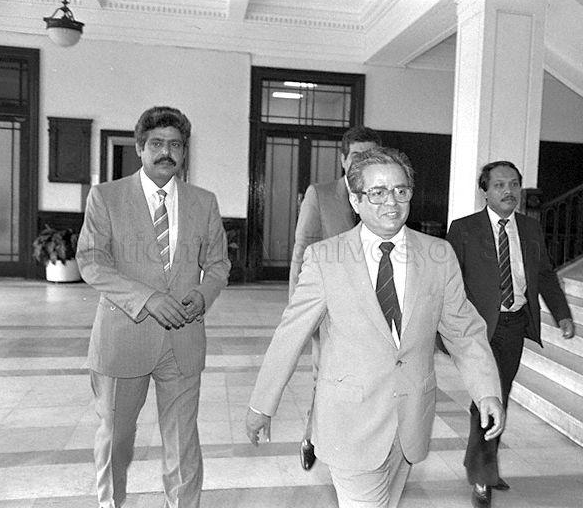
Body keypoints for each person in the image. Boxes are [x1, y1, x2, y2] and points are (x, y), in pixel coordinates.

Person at [246, 147, 505, 508]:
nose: (391, 203)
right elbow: (291, 334)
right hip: (349, 423)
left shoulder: (438, 255)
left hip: (410, 418)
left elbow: (464, 330)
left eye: (401, 191)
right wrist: (263, 404)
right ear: (355, 199)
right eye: (377, 193)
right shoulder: (325, 258)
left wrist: (486, 390)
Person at [76, 106, 231, 508]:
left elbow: (218, 264)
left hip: (183, 339)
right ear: (140, 149)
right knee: (117, 440)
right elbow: (91, 261)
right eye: (157, 144)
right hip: (123, 338)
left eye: (176, 145)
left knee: (182, 443)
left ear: (185, 152)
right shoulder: (106, 197)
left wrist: (203, 294)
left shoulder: (203, 202)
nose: (167, 152)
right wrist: (146, 299)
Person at [445, 161, 574, 508]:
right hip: (477, 327)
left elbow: (545, 274)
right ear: (484, 191)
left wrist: (562, 314)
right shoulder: (464, 229)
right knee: (487, 395)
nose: (509, 191)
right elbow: (450, 281)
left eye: (514, 184)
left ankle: (480, 463)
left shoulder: (530, 228)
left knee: (497, 396)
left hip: (514, 323)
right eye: (500, 185)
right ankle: (483, 476)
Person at [290, 126, 382, 470]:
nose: (363, 162)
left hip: (372, 308)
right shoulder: (321, 193)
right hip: (329, 307)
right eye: (357, 155)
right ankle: (312, 434)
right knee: (324, 375)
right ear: (343, 159)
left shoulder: (383, 195)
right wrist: (298, 309)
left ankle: (354, 440)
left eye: (370, 155)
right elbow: (302, 250)